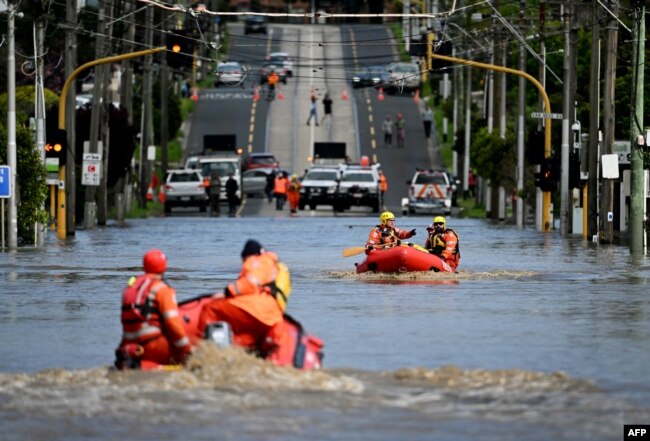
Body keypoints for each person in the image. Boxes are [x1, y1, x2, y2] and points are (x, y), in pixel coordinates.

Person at [198, 240, 287, 353]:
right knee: (245, 337)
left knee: (210, 308)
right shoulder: (271, 264)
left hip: (257, 309)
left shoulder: (257, 261)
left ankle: (202, 349)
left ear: (248, 255)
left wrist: (227, 292)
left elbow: (250, 283)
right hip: (271, 314)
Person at [115, 249, 193, 369]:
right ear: (164, 266)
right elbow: (173, 324)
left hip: (128, 347)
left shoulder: (130, 287)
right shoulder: (161, 288)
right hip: (152, 346)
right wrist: (187, 350)